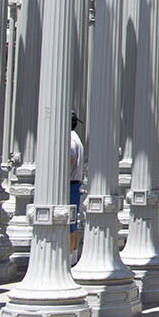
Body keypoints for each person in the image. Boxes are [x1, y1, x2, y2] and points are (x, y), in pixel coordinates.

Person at [69, 111, 85, 264]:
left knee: (69, 224)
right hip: (76, 184)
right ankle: (73, 258)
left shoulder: (70, 140)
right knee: (72, 223)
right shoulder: (77, 139)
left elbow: (70, 161)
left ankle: (69, 260)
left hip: (70, 185)